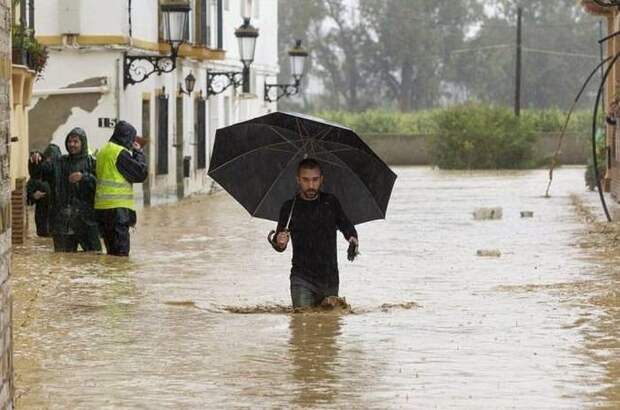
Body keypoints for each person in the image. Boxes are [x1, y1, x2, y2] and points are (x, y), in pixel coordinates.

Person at [271, 158, 359, 309]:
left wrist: (352, 240)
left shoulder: (330, 202)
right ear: (298, 180)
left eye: (315, 180)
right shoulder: (290, 208)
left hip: (330, 280)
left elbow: (347, 226)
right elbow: (279, 244)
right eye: (306, 180)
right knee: (302, 323)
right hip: (301, 278)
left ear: (321, 179)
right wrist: (279, 242)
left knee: (329, 328)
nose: (311, 185)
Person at [29, 128, 101, 252]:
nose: (72, 144)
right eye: (69, 141)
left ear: (82, 143)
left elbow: (99, 185)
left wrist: (84, 177)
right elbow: (39, 173)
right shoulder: (59, 162)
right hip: (62, 221)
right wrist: (37, 159)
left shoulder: (91, 162)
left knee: (94, 256)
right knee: (62, 259)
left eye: (75, 142)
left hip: (87, 220)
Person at [95, 120, 147, 256]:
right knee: (121, 256)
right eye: (131, 139)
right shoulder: (119, 153)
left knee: (111, 254)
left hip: (102, 209)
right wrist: (138, 153)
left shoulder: (103, 150)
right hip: (117, 211)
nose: (131, 143)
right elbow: (140, 174)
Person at [26, 144, 61, 237]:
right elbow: (27, 198)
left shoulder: (63, 175)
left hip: (57, 229)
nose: (51, 162)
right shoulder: (38, 177)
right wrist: (33, 196)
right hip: (43, 228)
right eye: (49, 159)